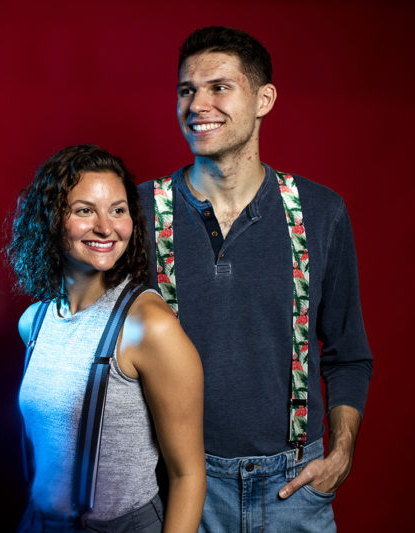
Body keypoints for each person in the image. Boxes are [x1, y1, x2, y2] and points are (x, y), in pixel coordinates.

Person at [136, 27, 373, 532]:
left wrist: (341, 454)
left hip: (293, 488)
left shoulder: (319, 211)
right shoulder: (135, 212)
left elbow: (348, 352)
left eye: (219, 87)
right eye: (186, 90)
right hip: (174, 486)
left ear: (264, 99)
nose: (198, 103)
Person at [7, 144, 205, 533]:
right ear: (51, 219)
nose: (106, 226)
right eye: (85, 210)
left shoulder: (148, 326)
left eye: (118, 210)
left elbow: (188, 476)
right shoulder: (35, 323)